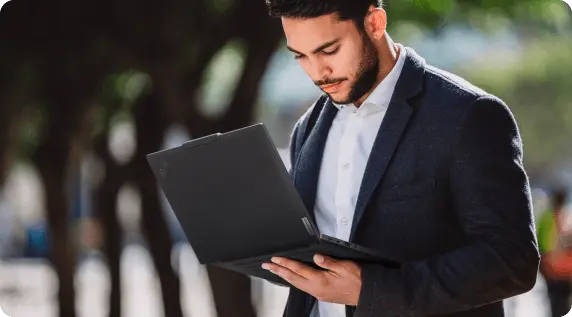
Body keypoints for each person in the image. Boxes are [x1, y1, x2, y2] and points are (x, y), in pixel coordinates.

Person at [260, 1, 541, 316]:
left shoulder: (468, 114)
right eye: (300, 56)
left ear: (375, 23)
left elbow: (512, 260)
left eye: (329, 51)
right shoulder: (307, 129)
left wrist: (373, 289)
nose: (317, 72)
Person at [537, 189, 572, 317]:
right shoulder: (565, 217)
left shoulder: (548, 217)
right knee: (561, 304)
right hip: (561, 270)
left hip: (553, 269)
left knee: (556, 303)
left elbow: (541, 243)